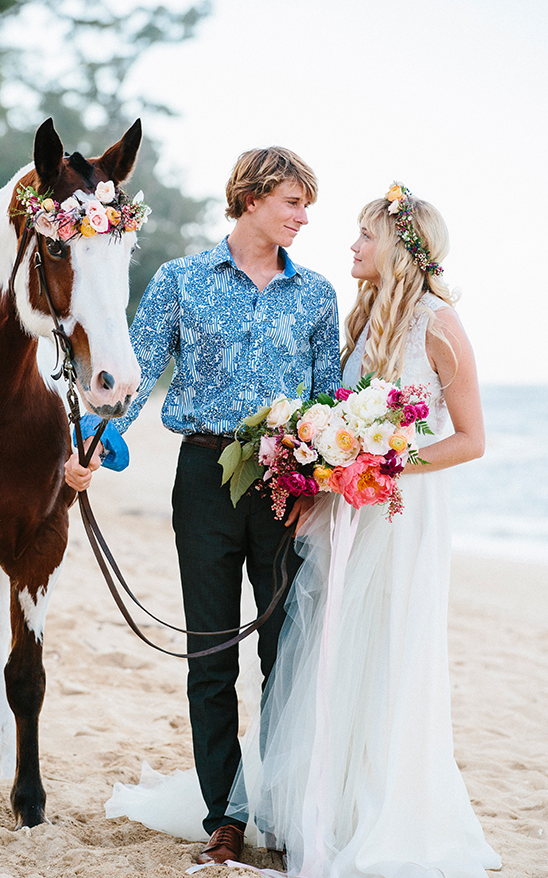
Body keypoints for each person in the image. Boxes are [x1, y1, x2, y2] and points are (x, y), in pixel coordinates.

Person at [65, 146, 341, 865]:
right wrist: (92, 448)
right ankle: (226, 814)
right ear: (250, 198)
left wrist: (319, 489)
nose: (303, 217)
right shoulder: (179, 280)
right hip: (202, 479)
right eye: (292, 202)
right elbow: (137, 372)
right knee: (212, 652)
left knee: (287, 656)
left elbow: (329, 402)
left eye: (306, 204)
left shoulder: (316, 295)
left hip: (287, 487)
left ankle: (281, 810)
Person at [227, 183, 502, 877]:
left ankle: (373, 812)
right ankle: (323, 808)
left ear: (401, 251)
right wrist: (318, 460)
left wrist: (383, 461)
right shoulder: (367, 318)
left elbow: (470, 440)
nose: (352, 245)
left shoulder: (439, 323)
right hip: (349, 510)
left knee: (385, 651)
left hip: (399, 516)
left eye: (364, 235)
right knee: (329, 648)